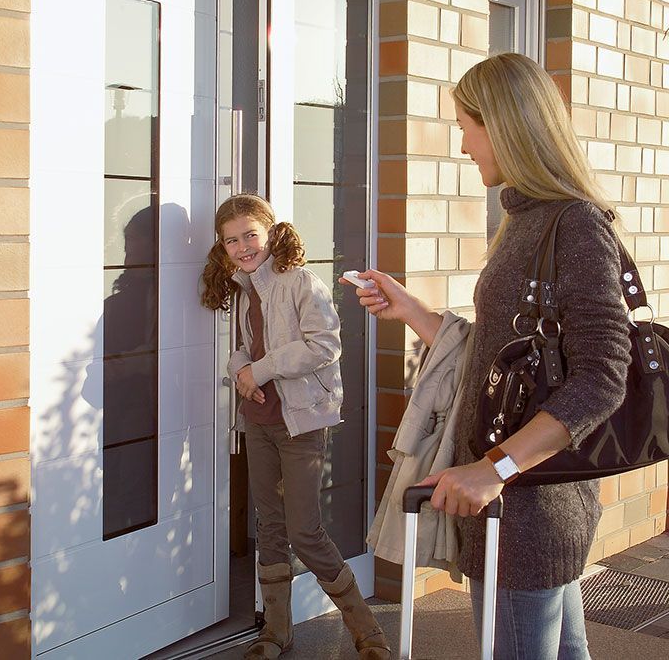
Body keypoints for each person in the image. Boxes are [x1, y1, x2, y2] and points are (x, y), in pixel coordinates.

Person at [343, 53, 630, 659]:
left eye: (467, 123)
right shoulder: (526, 220)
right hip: (524, 508)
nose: (465, 142)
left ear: (503, 124)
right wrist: (414, 313)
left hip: (526, 512)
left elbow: (604, 375)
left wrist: (493, 469)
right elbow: (504, 352)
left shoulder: (573, 224)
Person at [201, 194, 391, 660]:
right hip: (259, 421)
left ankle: (369, 634)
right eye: (232, 241)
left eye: (250, 234)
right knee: (269, 526)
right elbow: (245, 349)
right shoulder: (244, 289)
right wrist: (241, 372)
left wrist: (259, 371)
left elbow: (324, 345)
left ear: (270, 232)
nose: (243, 246)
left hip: (301, 422)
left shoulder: (301, 282)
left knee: (304, 531)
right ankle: (276, 632)